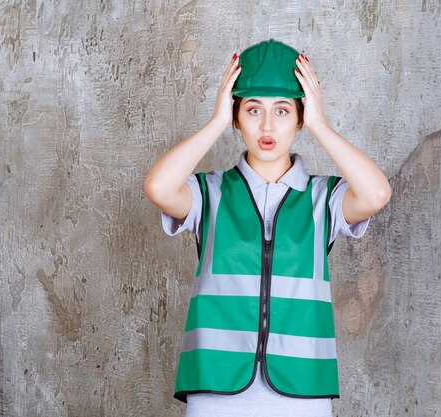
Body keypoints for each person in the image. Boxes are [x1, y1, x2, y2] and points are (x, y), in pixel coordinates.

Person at [144, 39, 391, 417]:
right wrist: (215, 122)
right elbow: (158, 187)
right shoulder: (208, 193)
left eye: (282, 110)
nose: (267, 125)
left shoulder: (323, 199)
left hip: (302, 388)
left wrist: (320, 124)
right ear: (237, 116)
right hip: (216, 386)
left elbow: (375, 193)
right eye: (253, 109)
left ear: (300, 118)